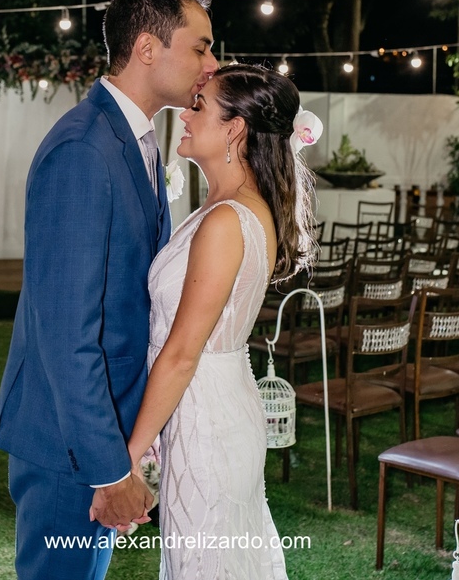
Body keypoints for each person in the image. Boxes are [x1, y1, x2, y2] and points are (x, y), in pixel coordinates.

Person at [0, 0, 219, 579]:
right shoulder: (83, 150)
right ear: (148, 48)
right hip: (72, 446)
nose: (212, 63)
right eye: (200, 47)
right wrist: (109, 469)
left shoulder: (134, 141)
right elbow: (68, 333)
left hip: (104, 432)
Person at [125, 63, 320, 579]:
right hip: (217, 404)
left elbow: (182, 352)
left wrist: (128, 458)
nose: (185, 116)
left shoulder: (225, 220)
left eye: (199, 107)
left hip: (205, 420)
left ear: (234, 129)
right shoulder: (231, 208)